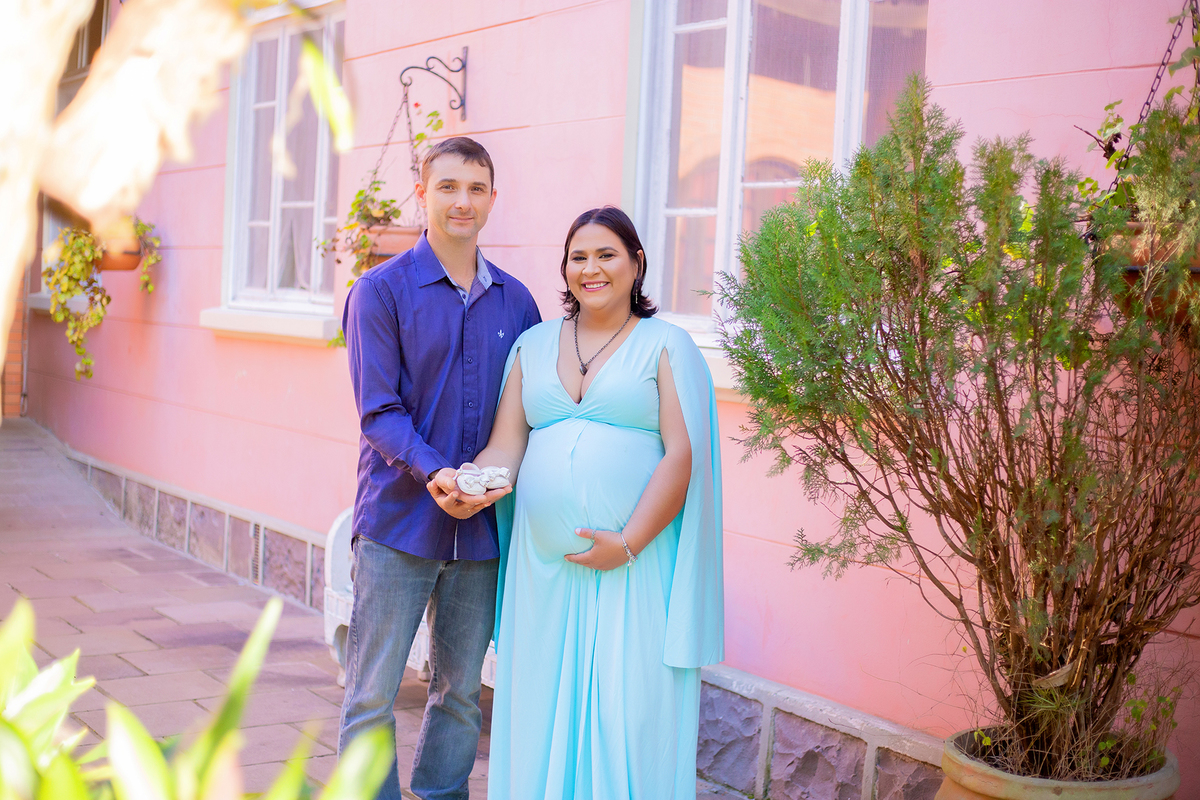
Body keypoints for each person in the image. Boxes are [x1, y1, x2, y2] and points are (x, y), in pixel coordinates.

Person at [433, 206, 725, 799]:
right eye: (578, 257)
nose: (591, 269)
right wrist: (470, 484)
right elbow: (506, 444)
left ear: (637, 263)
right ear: (564, 269)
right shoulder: (534, 344)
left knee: (629, 712)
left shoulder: (668, 346)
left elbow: (681, 456)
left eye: (606, 254)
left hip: (634, 566)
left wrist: (629, 541)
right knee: (541, 707)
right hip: (546, 572)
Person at [339, 136, 540, 800]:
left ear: (492, 199)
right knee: (372, 692)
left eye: (476, 188)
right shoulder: (380, 291)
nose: (463, 201)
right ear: (421, 193)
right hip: (398, 525)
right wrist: (436, 473)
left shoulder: (518, 303)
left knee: (460, 693)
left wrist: (489, 484)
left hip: (480, 530)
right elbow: (379, 411)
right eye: (448, 186)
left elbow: (530, 411)